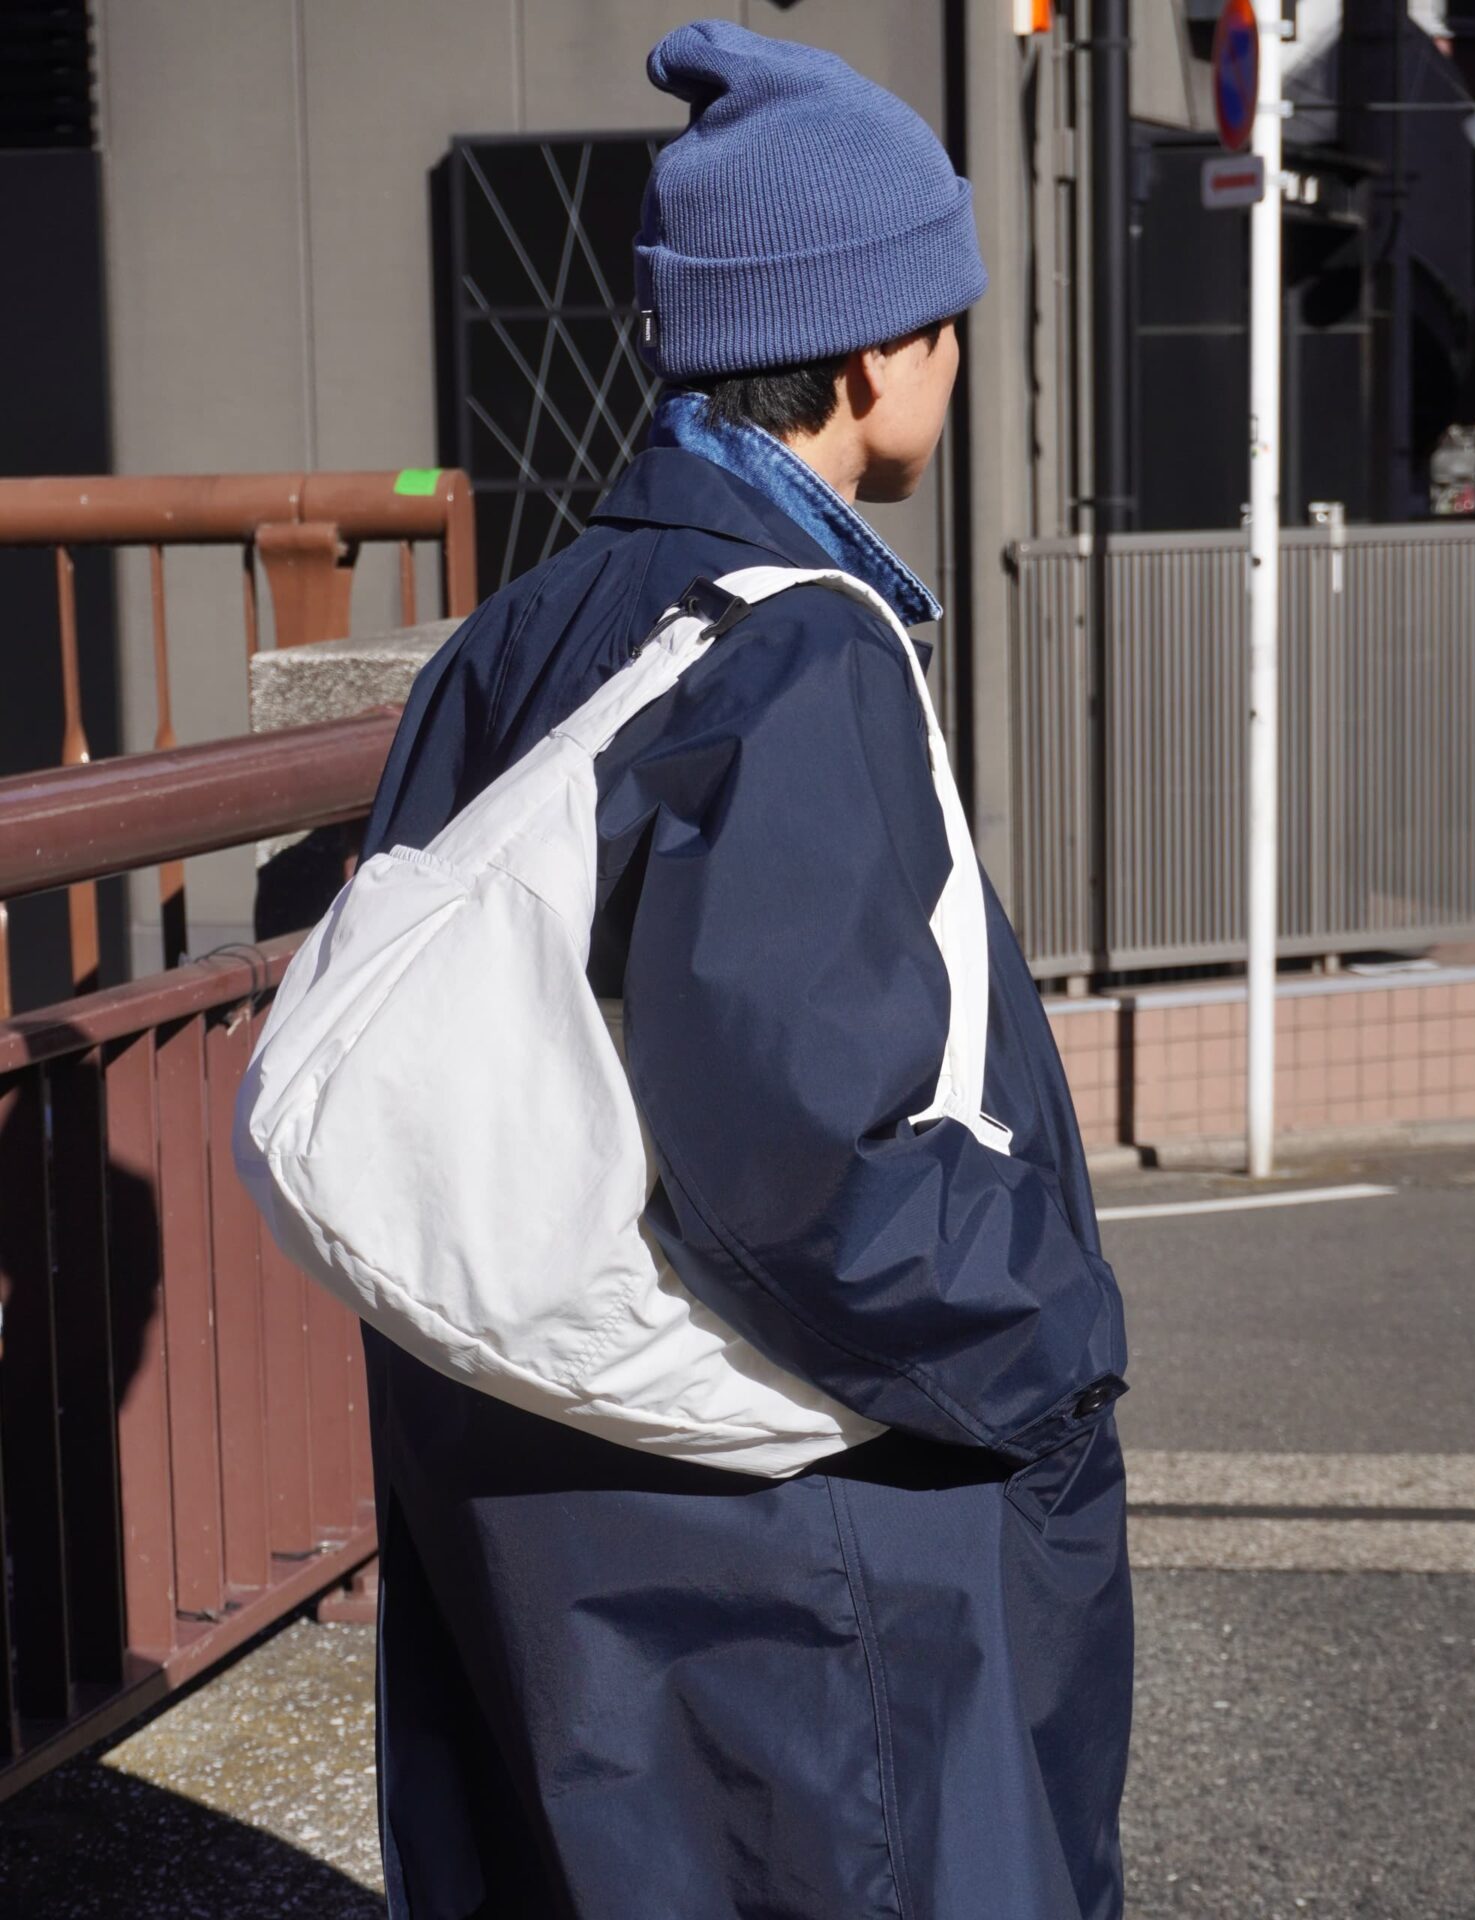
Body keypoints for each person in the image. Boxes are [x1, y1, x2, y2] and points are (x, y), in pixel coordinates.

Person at [358, 20, 1131, 1918]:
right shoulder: (799, 648)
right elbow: (814, 1156)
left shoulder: (521, 635)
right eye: (950, 323)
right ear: (876, 353)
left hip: (533, 1467)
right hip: (792, 1530)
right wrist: (1054, 1332)